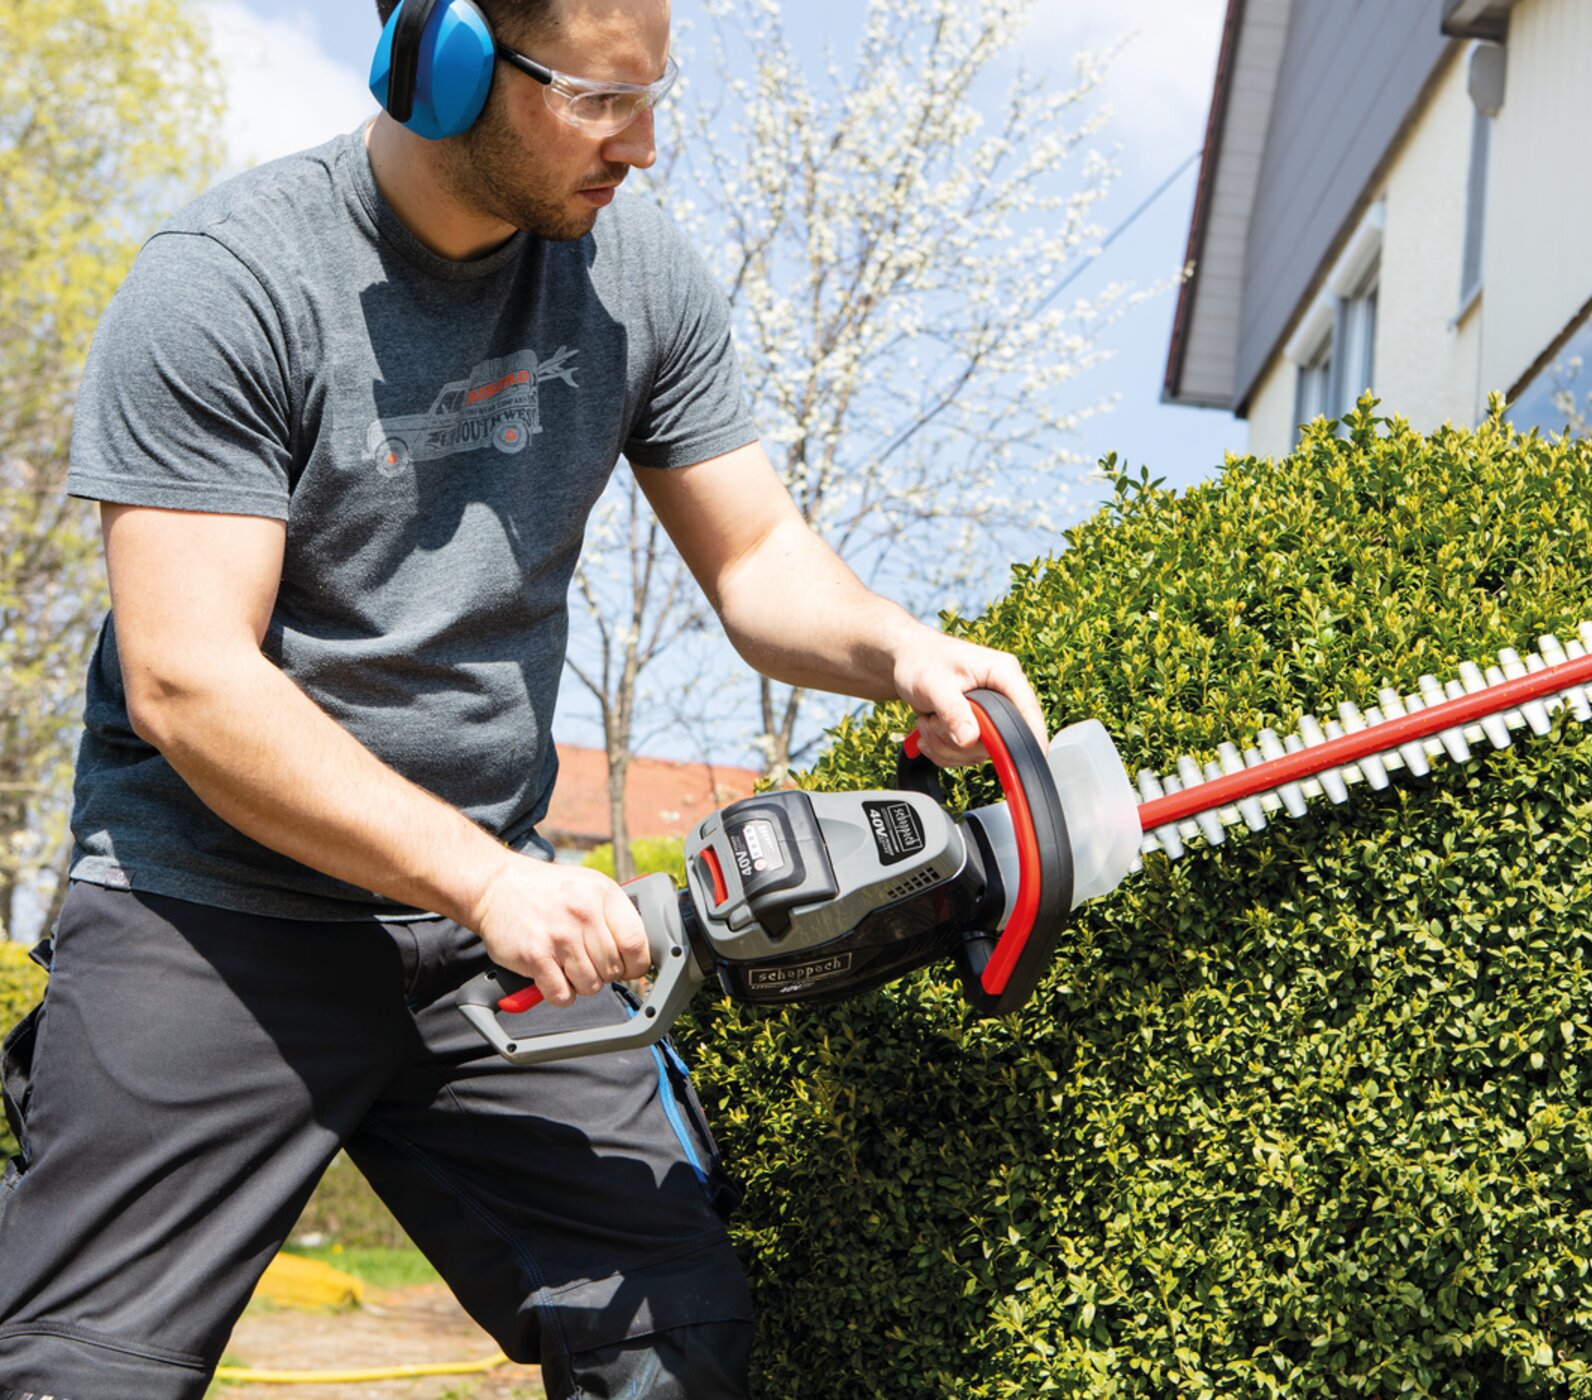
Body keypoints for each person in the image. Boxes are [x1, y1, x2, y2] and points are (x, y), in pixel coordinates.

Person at [0, 0, 1048, 1394]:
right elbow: (190, 682)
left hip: (487, 927)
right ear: (438, 67)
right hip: (213, 909)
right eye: (602, 101)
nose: (648, 145)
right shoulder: (229, 281)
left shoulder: (633, 272)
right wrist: (488, 883)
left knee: (673, 1344)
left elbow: (754, 558)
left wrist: (897, 647)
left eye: (654, 96)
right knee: (81, 1375)